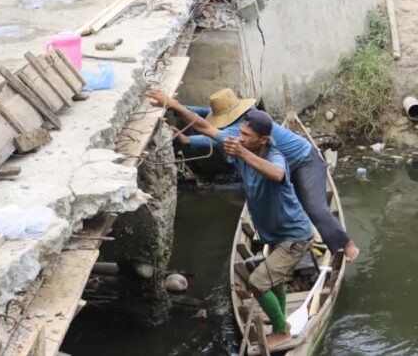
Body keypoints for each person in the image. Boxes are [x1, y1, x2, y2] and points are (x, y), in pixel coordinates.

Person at [151, 87, 359, 262]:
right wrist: (174, 107)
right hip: (279, 166)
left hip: (304, 161)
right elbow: (201, 115)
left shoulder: (245, 128)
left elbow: (204, 127)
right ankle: (296, 242)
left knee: (314, 207)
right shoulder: (245, 120)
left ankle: (345, 244)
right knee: (283, 206)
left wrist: (174, 107)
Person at [185, 106, 312, 349]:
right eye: (240, 133)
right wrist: (172, 105)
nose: (240, 138)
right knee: (274, 281)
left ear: (263, 140)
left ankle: (281, 330)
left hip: (295, 237)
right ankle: (280, 319)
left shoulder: (274, 156)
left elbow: (277, 174)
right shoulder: (242, 146)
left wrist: (241, 152)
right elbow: (205, 127)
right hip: (276, 234)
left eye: (246, 135)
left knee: (257, 282)